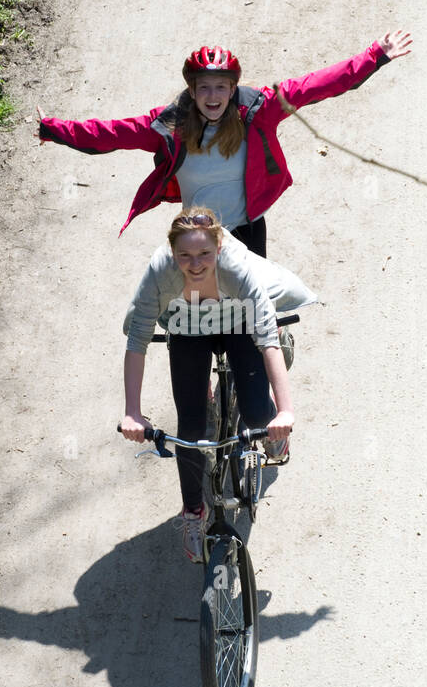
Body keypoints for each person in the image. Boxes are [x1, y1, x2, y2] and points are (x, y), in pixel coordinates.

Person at [36, 32, 412, 255]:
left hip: (247, 226)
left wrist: (374, 56)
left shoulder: (259, 110)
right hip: (196, 232)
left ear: (233, 88)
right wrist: (53, 129)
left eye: (221, 87)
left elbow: (317, 84)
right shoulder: (168, 126)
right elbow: (109, 133)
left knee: (258, 313)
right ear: (192, 90)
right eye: (204, 87)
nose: (212, 96)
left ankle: (274, 334)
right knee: (190, 316)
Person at [119, 207, 316, 562]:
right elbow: (138, 341)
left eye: (204, 254)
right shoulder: (160, 272)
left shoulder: (236, 269)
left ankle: (270, 427)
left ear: (220, 248)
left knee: (258, 417)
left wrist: (285, 411)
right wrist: (133, 412)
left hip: (240, 323)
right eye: (185, 256)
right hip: (188, 329)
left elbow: (266, 338)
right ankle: (193, 512)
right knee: (191, 431)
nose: (195, 264)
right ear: (172, 253)